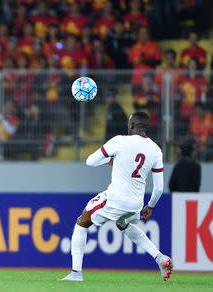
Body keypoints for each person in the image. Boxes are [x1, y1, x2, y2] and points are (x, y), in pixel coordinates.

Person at [60, 112, 172, 282]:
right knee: (123, 225)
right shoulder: (156, 150)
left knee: (82, 222)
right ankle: (160, 258)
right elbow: (158, 188)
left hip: (115, 199)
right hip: (136, 204)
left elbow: (90, 161)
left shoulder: (119, 141)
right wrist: (150, 206)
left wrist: (109, 159)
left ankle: (76, 273)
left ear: (132, 125)